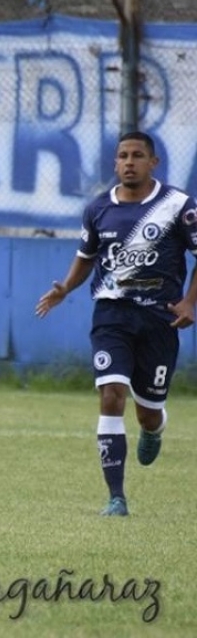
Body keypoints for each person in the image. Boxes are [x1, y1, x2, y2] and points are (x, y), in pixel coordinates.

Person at [35, 130, 197, 517]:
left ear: (152, 162)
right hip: (112, 315)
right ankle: (116, 497)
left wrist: (190, 302)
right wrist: (66, 288)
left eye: (137, 155)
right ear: (114, 162)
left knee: (147, 411)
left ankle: (154, 428)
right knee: (110, 395)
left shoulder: (179, 206)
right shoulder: (98, 209)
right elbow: (86, 255)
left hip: (161, 320)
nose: (128, 162)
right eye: (122, 155)